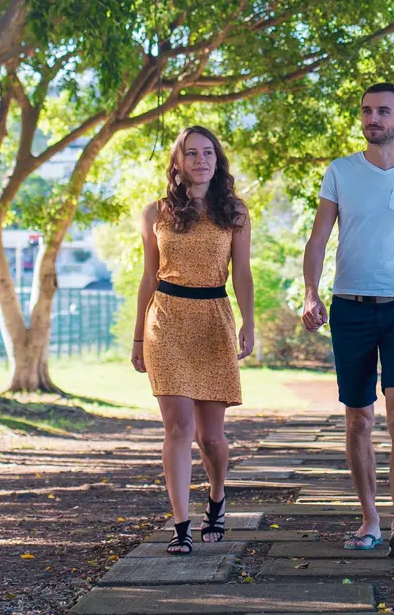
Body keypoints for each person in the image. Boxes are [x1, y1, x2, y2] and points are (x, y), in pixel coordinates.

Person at [300, 82, 394, 557]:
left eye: (382, 111)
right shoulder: (341, 172)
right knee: (358, 418)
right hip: (351, 308)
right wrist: (310, 293)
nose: (372, 119)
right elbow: (318, 240)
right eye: (366, 111)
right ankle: (369, 520)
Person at [131, 125, 256, 554]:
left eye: (208, 153)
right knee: (177, 428)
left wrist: (249, 322)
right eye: (191, 153)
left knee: (210, 438)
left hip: (213, 320)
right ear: (178, 162)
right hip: (165, 319)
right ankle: (181, 526)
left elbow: (241, 273)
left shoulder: (234, 212)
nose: (200, 160)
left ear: (217, 161)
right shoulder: (155, 213)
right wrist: (136, 340)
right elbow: (149, 277)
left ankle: (217, 496)